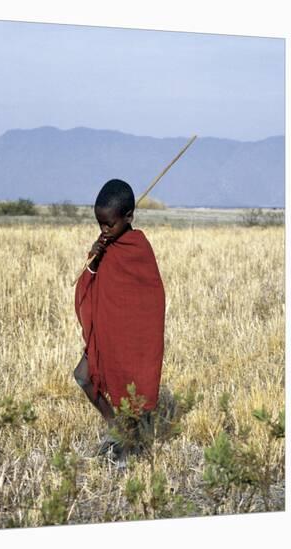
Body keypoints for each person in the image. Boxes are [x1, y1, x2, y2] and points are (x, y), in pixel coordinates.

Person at [74, 179, 165, 464]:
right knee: (83, 377)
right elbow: (89, 284)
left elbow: (150, 299)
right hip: (105, 334)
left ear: (128, 217)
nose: (103, 230)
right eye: (99, 223)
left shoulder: (138, 247)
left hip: (130, 341)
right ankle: (114, 427)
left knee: (129, 393)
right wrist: (94, 258)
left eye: (108, 224)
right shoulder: (105, 245)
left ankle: (127, 444)